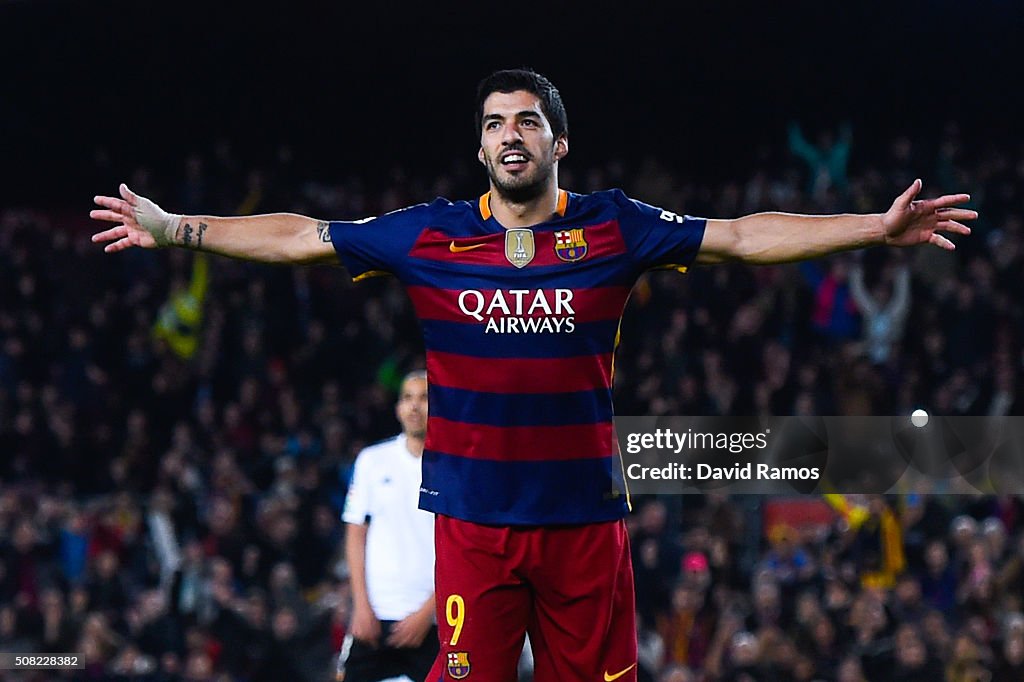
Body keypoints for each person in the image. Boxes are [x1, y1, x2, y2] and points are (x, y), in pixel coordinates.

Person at [91, 68, 976, 682]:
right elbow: (300, 236)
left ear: (559, 141)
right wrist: (177, 228)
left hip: (585, 525)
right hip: (475, 528)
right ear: (479, 149)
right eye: (492, 124)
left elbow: (742, 235)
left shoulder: (616, 228)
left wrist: (871, 227)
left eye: (525, 121)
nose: (508, 136)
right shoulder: (430, 234)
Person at [338, 370, 437, 682]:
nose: (414, 406)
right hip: (374, 617)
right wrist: (361, 606)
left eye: (423, 398)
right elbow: (356, 533)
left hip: (434, 620)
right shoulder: (372, 460)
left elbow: (463, 546)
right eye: (407, 398)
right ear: (397, 408)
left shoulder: (453, 467)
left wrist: (428, 613)